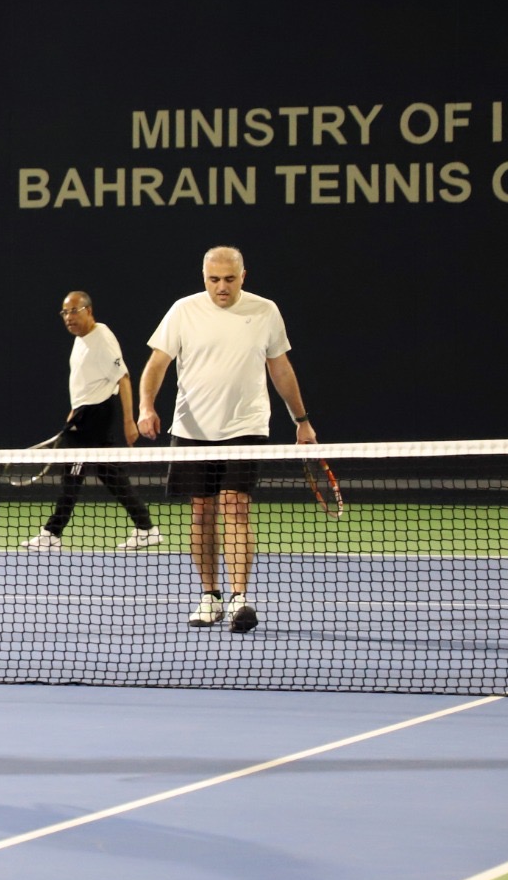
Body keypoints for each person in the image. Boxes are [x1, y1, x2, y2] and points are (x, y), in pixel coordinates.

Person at [136, 246, 315, 634]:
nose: (222, 287)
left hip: (246, 426)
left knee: (235, 507)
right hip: (192, 429)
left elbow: (281, 369)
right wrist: (145, 406)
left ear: (243, 277)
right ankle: (210, 596)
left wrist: (301, 420)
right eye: (214, 280)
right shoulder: (183, 311)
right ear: (204, 278)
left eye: (230, 279)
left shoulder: (265, 311)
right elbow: (156, 365)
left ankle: (239, 598)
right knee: (201, 513)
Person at [23, 291, 161, 551]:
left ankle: (52, 533)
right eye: (64, 313)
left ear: (89, 310)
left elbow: (123, 379)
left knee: (72, 476)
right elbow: (86, 381)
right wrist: (75, 410)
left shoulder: (102, 338)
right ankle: (146, 527)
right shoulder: (80, 340)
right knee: (110, 475)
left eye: (74, 311)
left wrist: (129, 421)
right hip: (84, 414)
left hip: (95, 416)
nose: (68, 317)